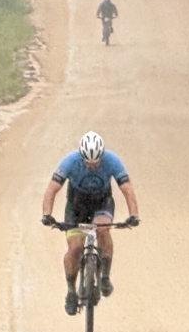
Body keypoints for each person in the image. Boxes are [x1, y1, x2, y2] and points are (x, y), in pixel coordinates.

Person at [40, 131, 140, 316]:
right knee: (75, 248)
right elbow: (52, 189)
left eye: (96, 162)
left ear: (102, 155)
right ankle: (71, 290)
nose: (92, 166)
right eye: (88, 162)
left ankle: (105, 276)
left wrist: (134, 215)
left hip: (101, 203)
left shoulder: (112, 160)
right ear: (81, 156)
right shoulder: (70, 161)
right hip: (76, 206)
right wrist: (47, 214)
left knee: (103, 229)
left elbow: (127, 188)